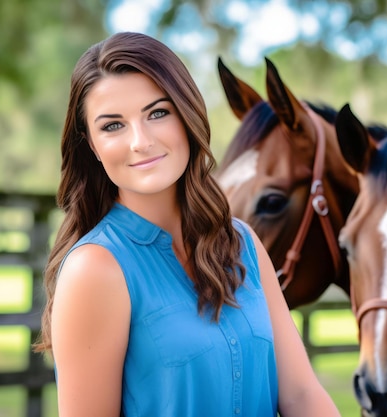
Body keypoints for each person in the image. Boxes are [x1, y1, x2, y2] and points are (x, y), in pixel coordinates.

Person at [34, 31, 341, 417]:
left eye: (157, 113)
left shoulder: (243, 243)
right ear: (91, 145)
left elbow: (301, 395)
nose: (140, 142)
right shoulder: (94, 270)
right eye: (113, 126)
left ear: (187, 115)